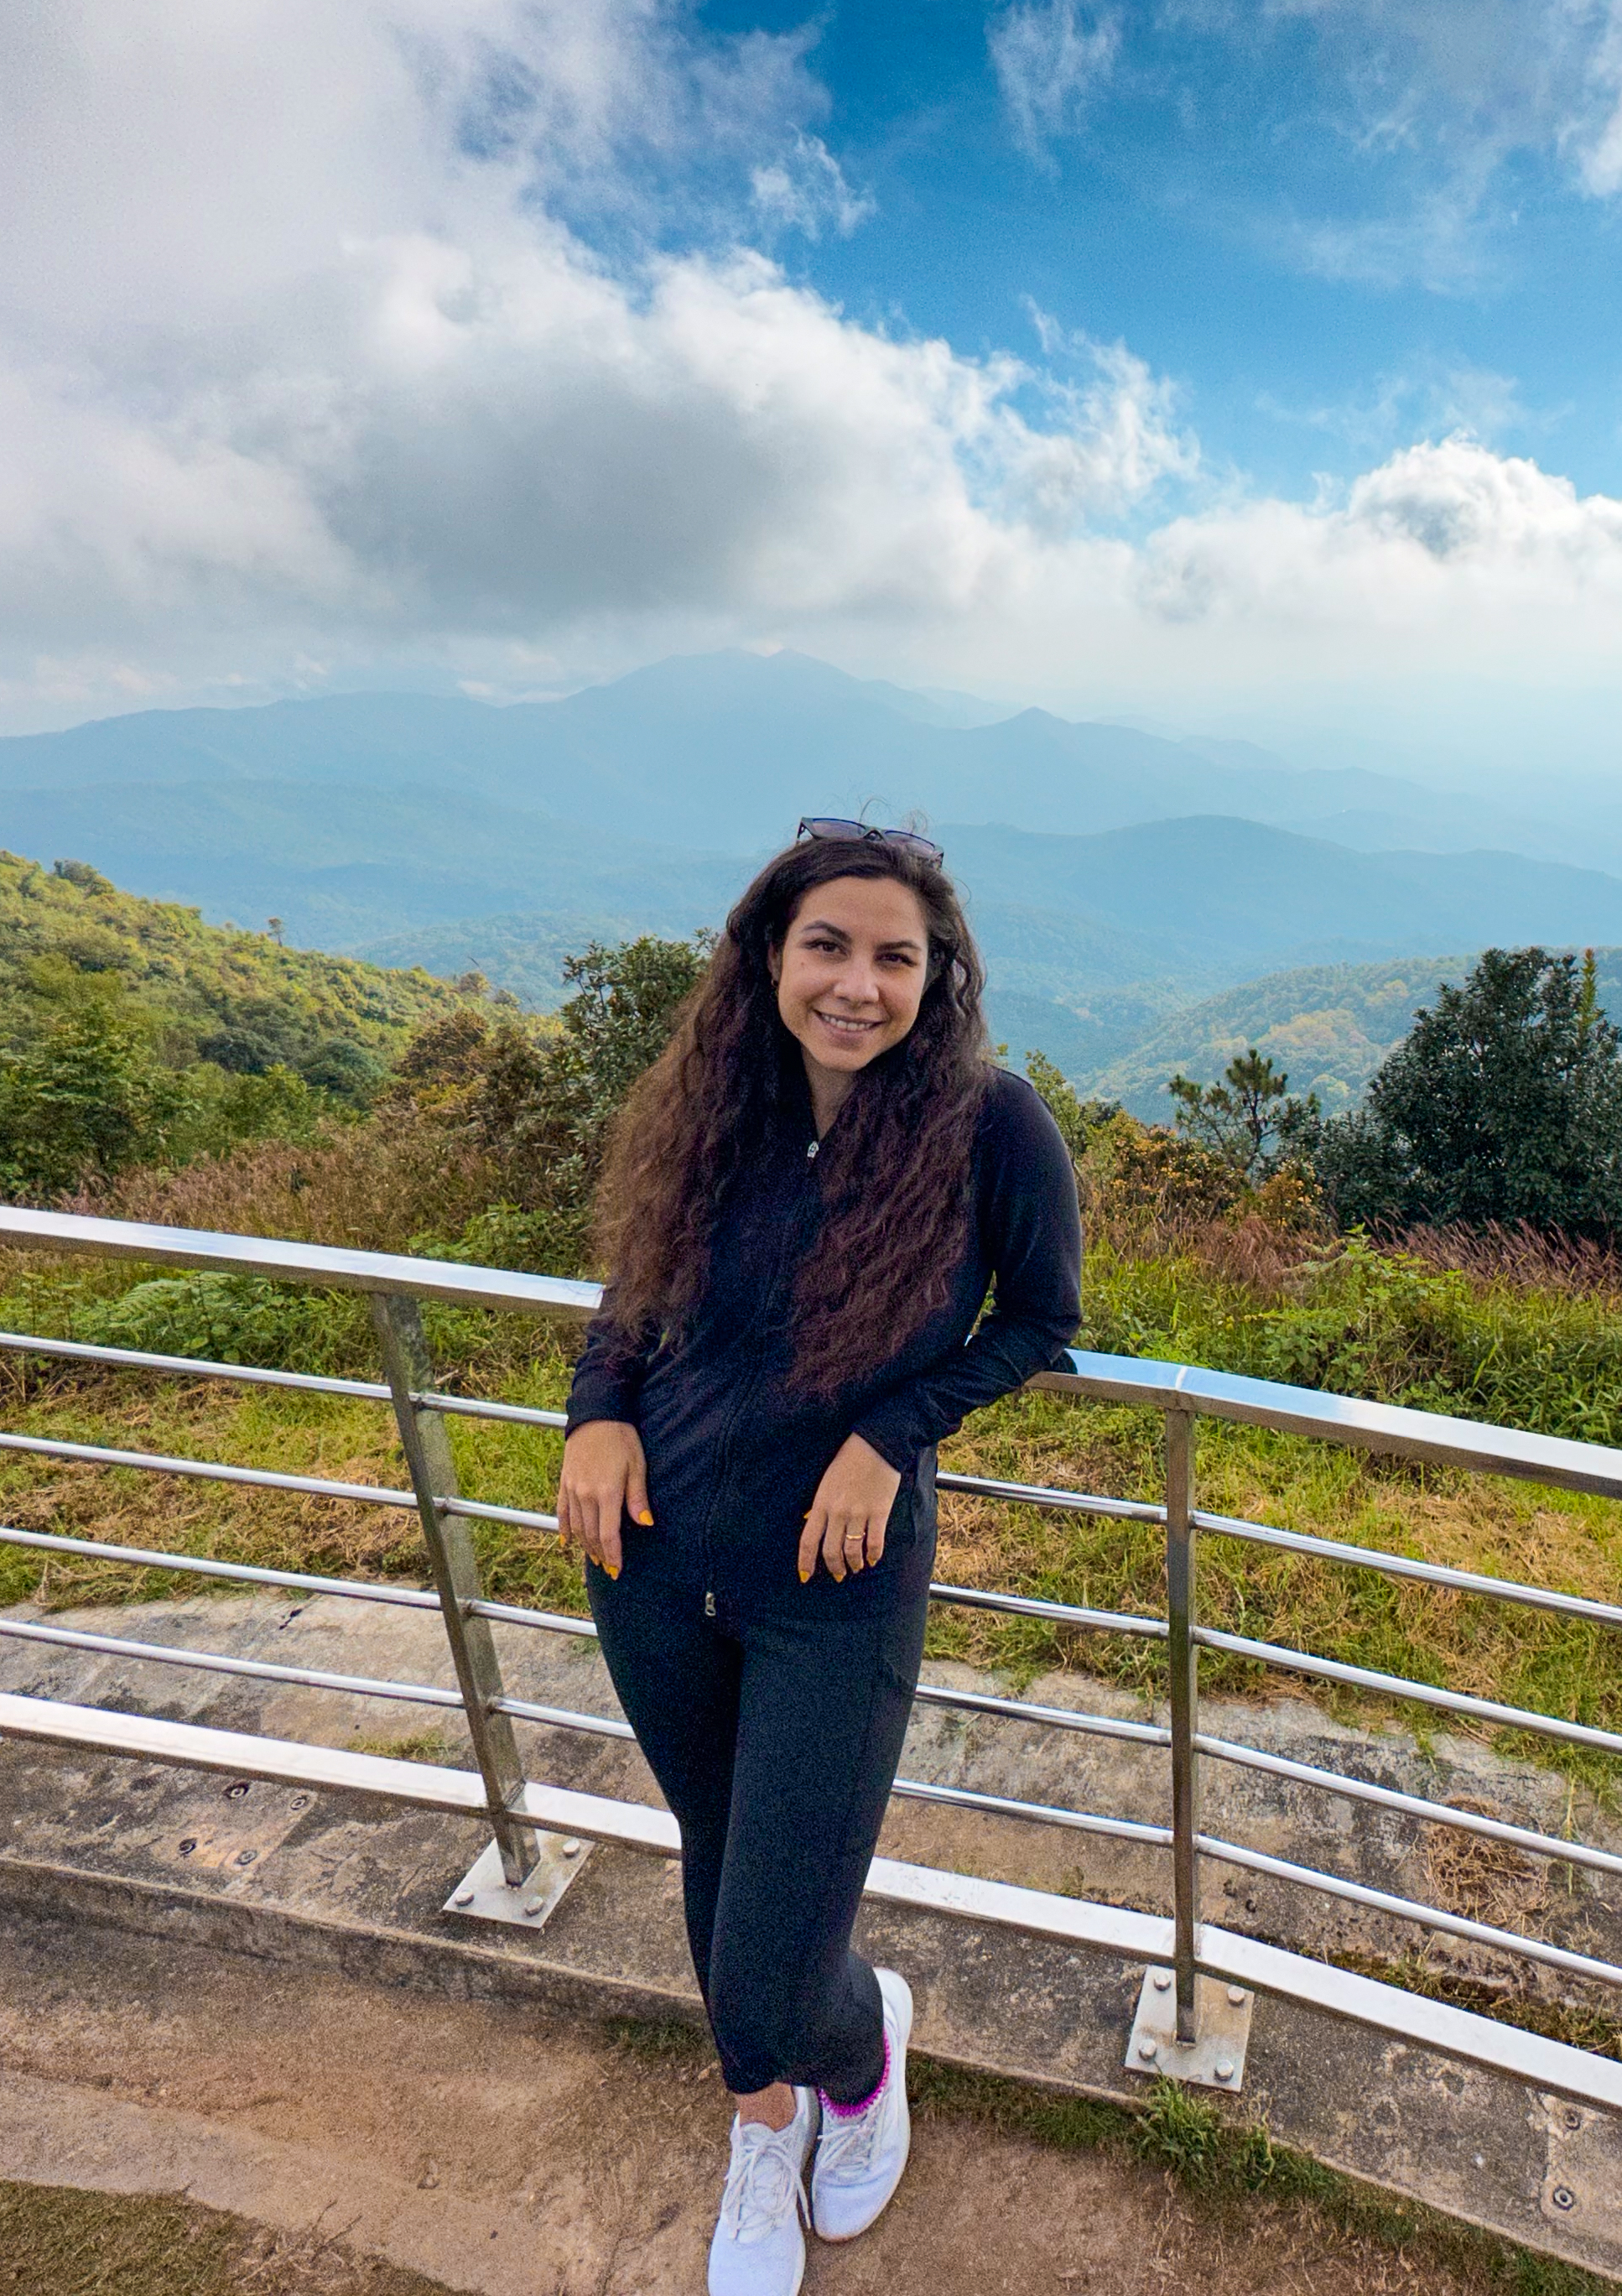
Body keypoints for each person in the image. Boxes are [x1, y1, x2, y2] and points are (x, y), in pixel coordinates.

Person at [556, 820, 1083, 2296]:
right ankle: (762, 2121)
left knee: (780, 1952)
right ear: (770, 958)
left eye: (894, 957)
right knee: (722, 1861)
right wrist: (597, 1414)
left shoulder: (992, 1125)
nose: (858, 984)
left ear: (939, 975)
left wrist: (891, 1434)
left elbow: (1041, 1321)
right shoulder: (713, 1099)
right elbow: (635, 1291)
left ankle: (857, 2064)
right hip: (651, 1556)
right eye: (828, 948)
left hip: (837, 1583)